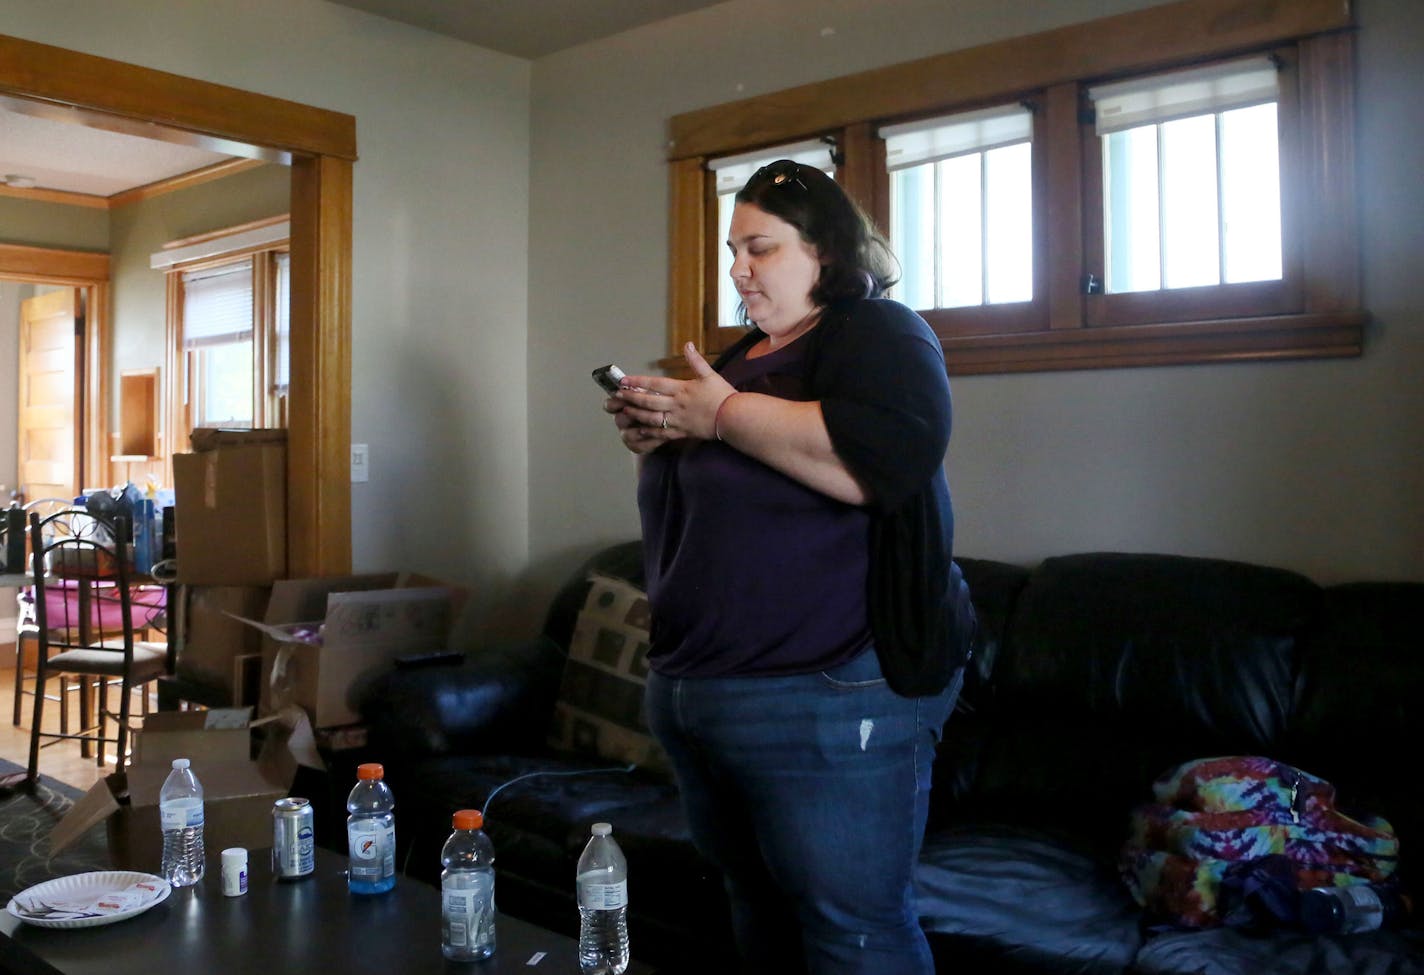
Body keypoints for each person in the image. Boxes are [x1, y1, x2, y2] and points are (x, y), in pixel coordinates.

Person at [604, 159, 975, 975]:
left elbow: (883, 458)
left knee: (855, 929)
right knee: (758, 906)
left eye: (761, 248)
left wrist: (722, 415)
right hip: (703, 691)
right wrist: (664, 431)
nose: (739, 267)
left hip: (829, 692)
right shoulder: (743, 359)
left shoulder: (879, 331)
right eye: (735, 249)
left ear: (827, 253)